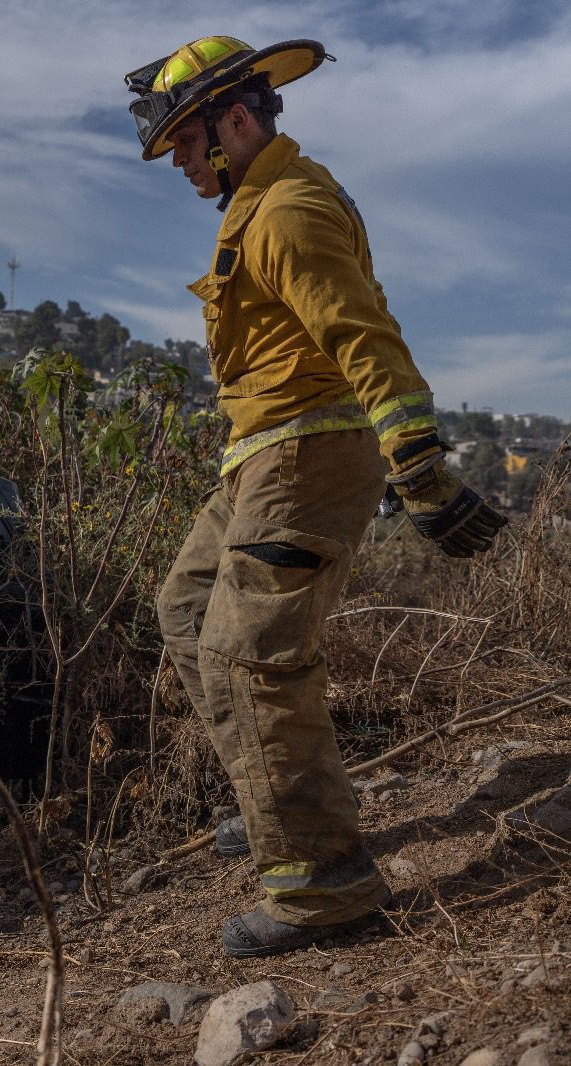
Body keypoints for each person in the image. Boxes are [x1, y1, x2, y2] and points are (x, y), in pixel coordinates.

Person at [123, 36, 507, 957]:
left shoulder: (288, 209)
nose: (179, 163)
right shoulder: (253, 207)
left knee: (250, 657)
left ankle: (322, 886)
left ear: (237, 121)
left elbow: (362, 334)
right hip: (261, 454)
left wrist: (419, 466)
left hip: (311, 452)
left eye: (185, 142)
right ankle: (271, 802)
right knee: (185, 612)